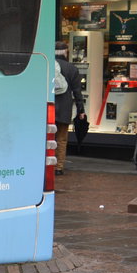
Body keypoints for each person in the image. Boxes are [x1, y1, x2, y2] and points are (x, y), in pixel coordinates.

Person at [54, 40, 86, 176]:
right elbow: (77, 92)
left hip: (47, 107)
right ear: (65, 52)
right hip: (64, 108)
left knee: (45, 137)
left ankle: (44, 164)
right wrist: (81, 110)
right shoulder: (72, 68)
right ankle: (58, 167)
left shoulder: (47, 65)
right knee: (61, 138)